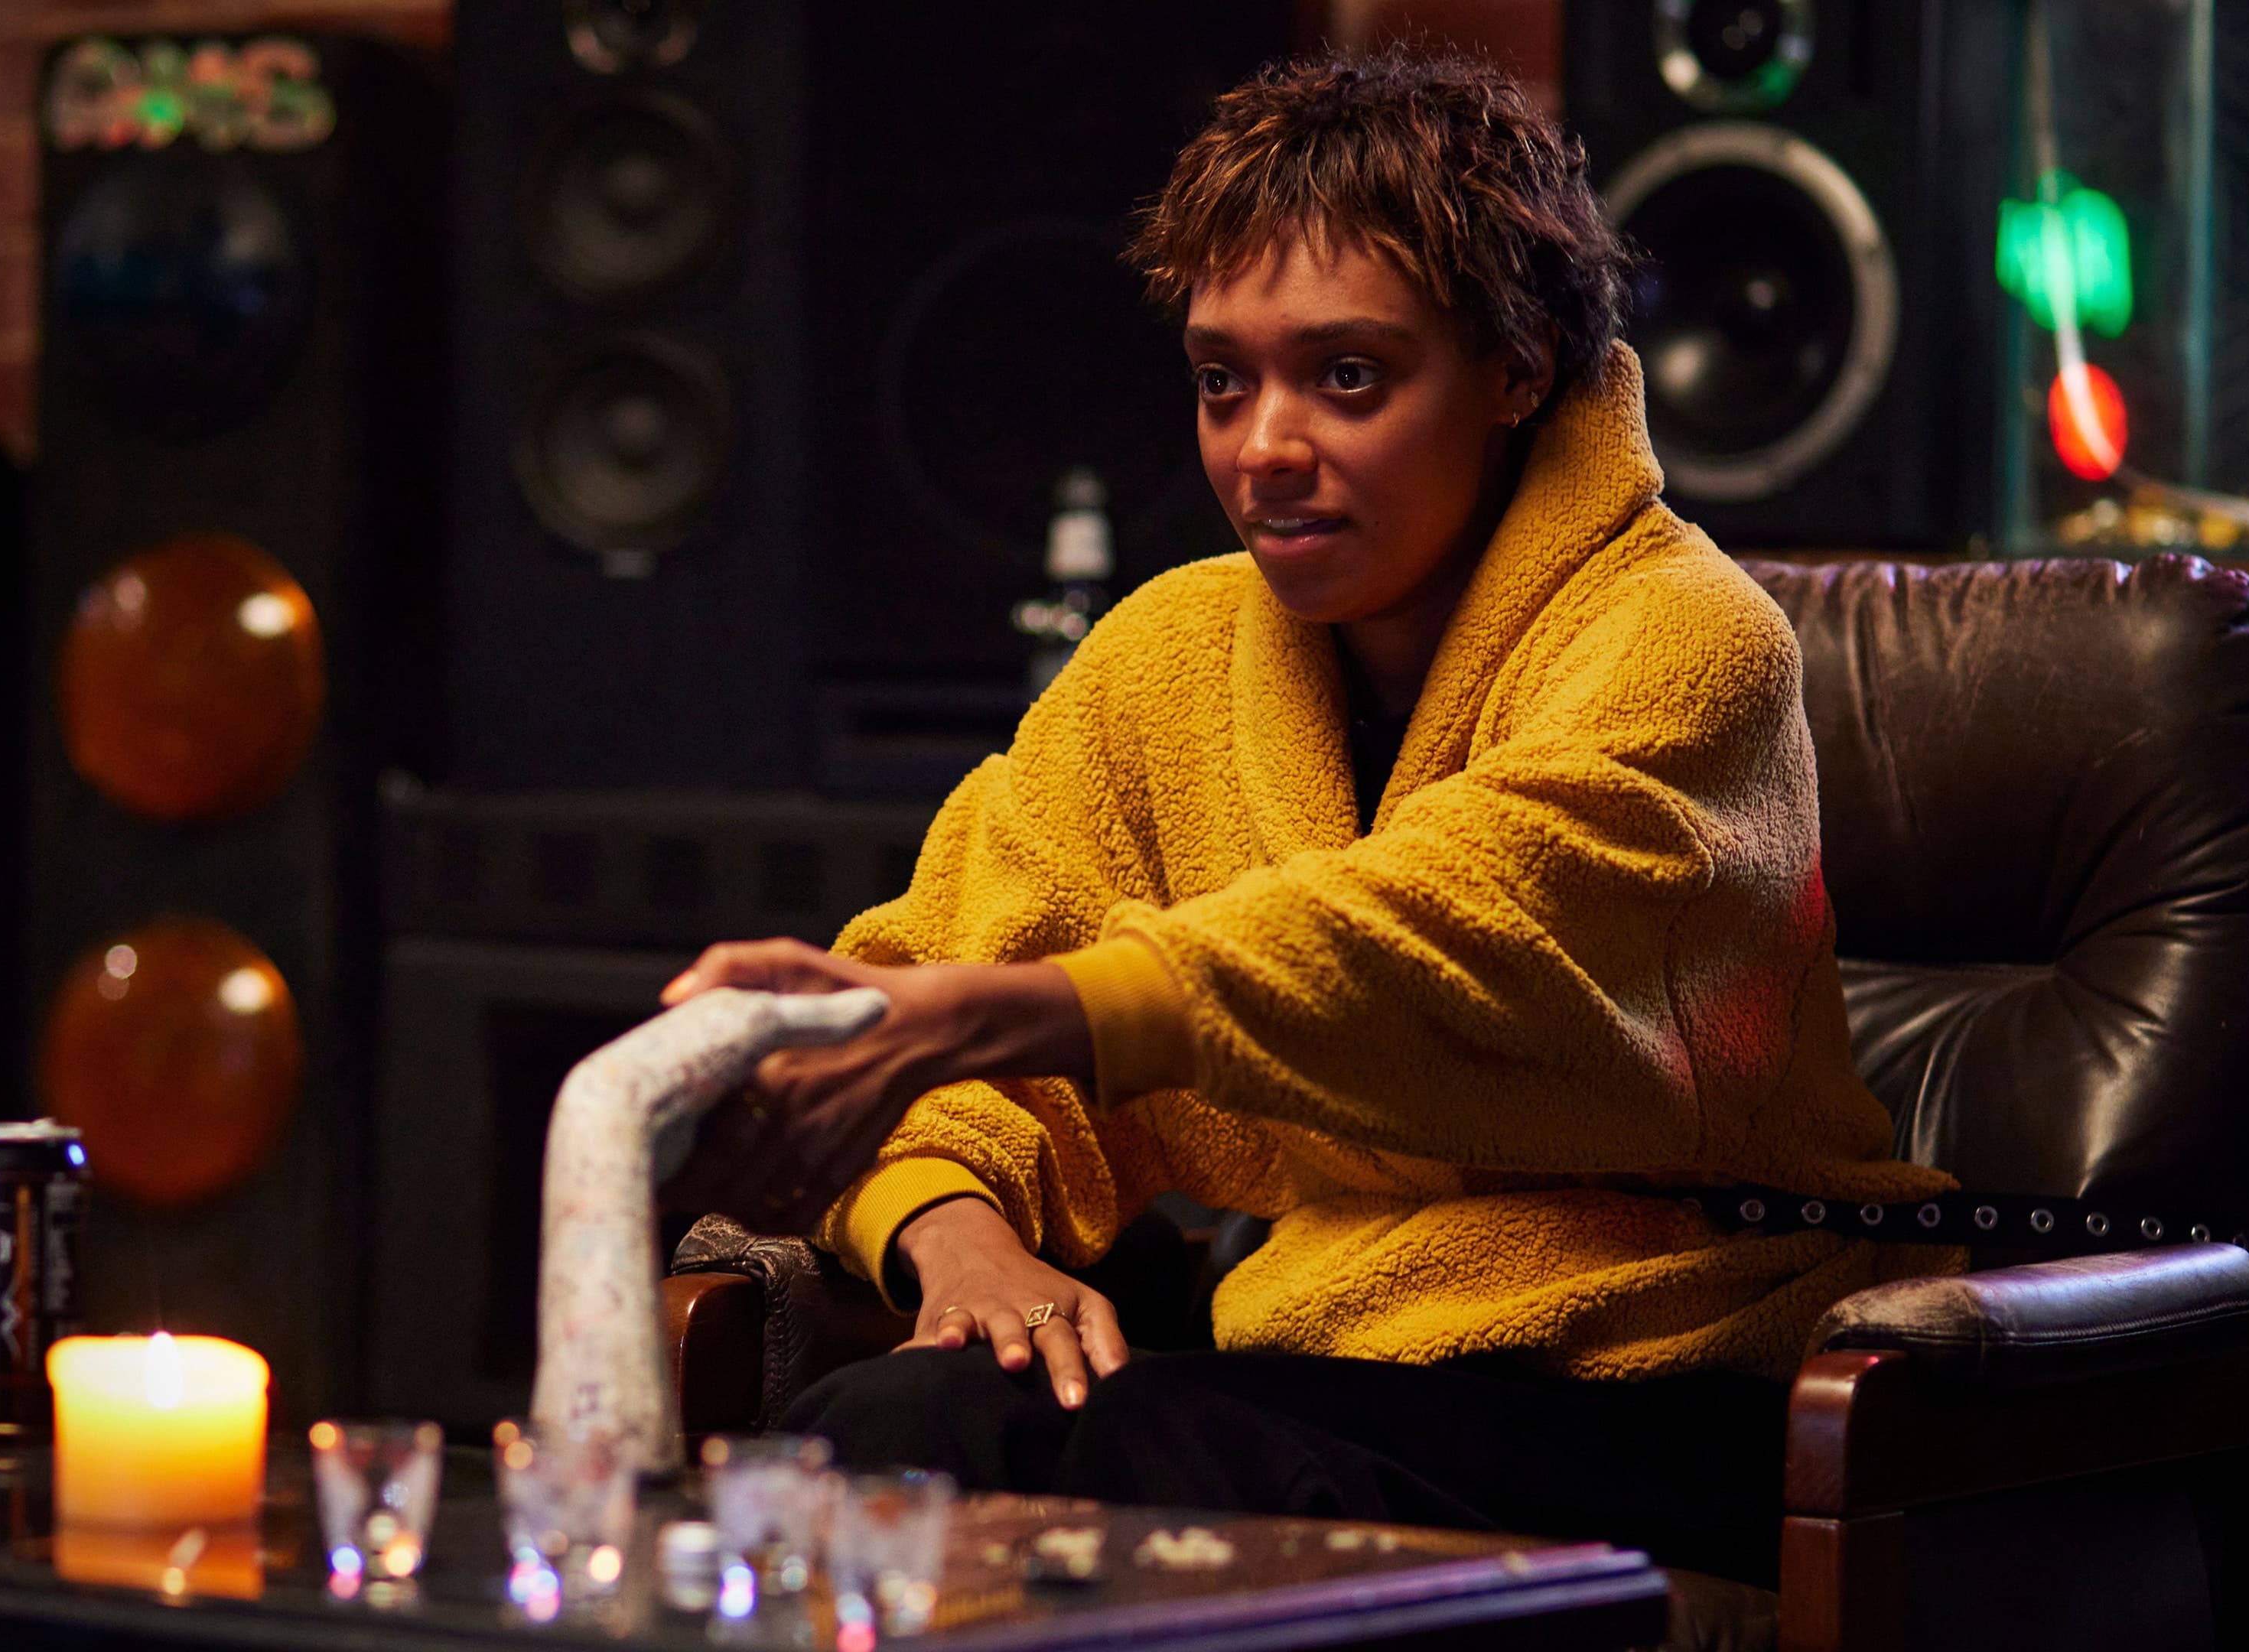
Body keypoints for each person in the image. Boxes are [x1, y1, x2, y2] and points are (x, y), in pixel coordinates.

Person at [657, 47, 1952, 1589]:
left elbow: (1448, 939)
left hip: (1672, 1386)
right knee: (890, 1421)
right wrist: (960, 1236)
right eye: (1224, 380)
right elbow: (959, 960)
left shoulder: (1686, 640)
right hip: (1330, 1358)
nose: (1264, 446)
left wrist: (987, 1012)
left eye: (1347, 378)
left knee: (1133, 1453)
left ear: (1517, 369)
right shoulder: (1169, 658)